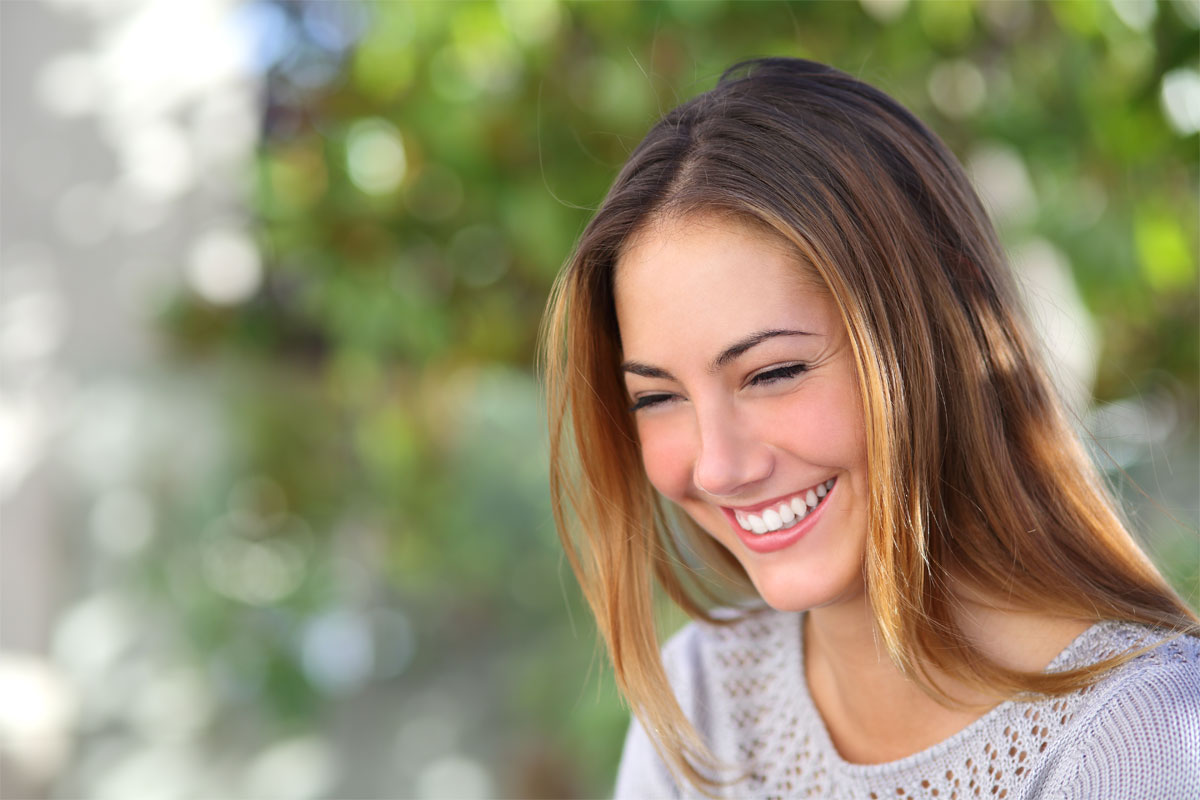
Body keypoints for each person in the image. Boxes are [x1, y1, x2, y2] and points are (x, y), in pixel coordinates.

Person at [539, 58, 1199, 799]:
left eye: (773, 374)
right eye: (657, 398)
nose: (718, 466)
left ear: (946, 323)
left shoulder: (1137, 736)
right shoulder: (705, 697)